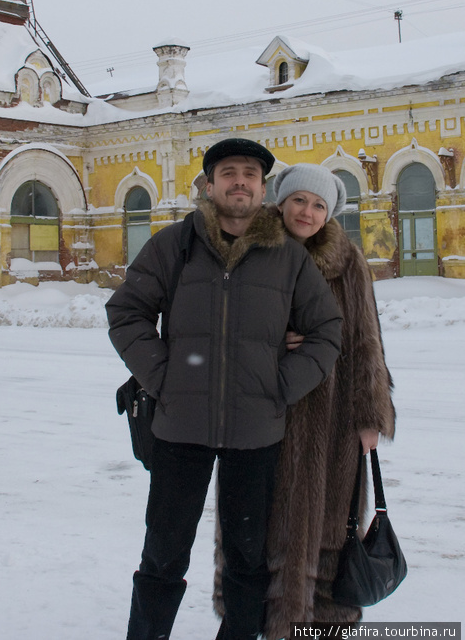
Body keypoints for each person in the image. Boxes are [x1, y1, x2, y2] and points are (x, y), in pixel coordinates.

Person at [107, 139, 343, 640]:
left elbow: (327, 331)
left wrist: (280, 388)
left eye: (251, 174)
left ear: (263, 188)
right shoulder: (175, 244)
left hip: (256, 434)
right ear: (210, 184)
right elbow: (127, 312)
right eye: (229, 172)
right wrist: (163, 377)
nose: (240, 181)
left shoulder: (288, 257)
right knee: (162, 556)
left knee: (247, 560)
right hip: (179, 429)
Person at [212, 163, 396, 635]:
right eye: (299, 200)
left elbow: (365, 342)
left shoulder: (347, 261)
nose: (308, 212)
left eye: (319, 205)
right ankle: (256, 619)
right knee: (258, 525)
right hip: (262, 410)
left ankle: (320, 624)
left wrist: (370, 415)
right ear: (281, 201)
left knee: (330, 523)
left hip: (332, 420)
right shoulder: (252, 249)